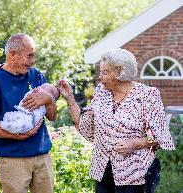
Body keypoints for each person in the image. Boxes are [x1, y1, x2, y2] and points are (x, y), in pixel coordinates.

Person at [57, 48, 175, 193]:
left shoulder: (147, 96)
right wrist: (69, 98)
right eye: (100, 72)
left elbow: (158, 135)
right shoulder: (102, 92)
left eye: (105, 72)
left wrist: (135, 143)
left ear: (121, 73)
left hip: (135, 174)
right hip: (103, 171)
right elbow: (86, 126)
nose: (100, 77)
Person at [0, 33, 57, 193]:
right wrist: (18, 136)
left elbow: (52, 116)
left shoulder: (36, 75)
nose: (33, 61)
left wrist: (48, 99)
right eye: (29, 56)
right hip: (12, 160)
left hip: (42, 156)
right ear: (12, 54)